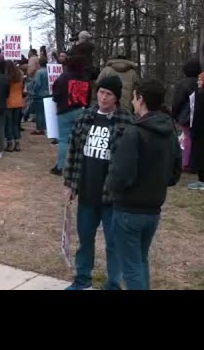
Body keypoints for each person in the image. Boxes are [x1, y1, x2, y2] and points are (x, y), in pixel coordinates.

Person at [106, 78, 182, 290]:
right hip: (153, 210)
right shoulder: (169, 132)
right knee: (140, 261)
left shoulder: (134, 133)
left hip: (129, 210)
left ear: (140, 99)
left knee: (131, 267)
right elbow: (175, 172)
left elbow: (121, 175)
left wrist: (112, 186)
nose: (132, 100)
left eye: (134, 97)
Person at [63, 75, 134, 290]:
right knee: (85, 240)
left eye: (109, 94)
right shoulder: (85, 117)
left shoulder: (126, 121)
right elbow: (73, 151)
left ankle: (113, 284)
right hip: (87, 190)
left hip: (112, 196)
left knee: (113, 244)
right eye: (101, 92)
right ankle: (82, 279)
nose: (103, 97)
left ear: (117, 97)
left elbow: (129, 161)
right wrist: (69, 183)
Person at [51, 54, 91, 176]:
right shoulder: (85, 79)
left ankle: (60, 167)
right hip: (81, 111)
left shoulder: (63, 78)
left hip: (64, 111)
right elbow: (88, 98)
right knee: (80, 140)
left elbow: (56, 95)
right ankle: (78, 166)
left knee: (63, 140)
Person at [171, 59, 201, 172]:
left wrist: (174, 114)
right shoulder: (201, 82)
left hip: (186, 115)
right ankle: (195, 161)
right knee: (194, 138)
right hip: (199, 115)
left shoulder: (183, 83)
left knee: (187, 137)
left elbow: (178, 101)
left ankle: (186, 163)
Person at [4, 60, 24, 152]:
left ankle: (10, 143)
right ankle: (17, 143)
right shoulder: (20, 74)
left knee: (8, 124)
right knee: (16, 124)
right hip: (18, 101)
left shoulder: (6, 76)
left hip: (8, 102)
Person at [31, 57, 49, 135]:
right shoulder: (50, 71)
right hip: (49, 94)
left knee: (39, 112)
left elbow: (37, 83)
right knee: (46, 112)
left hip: (40, 94)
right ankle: (46, 128)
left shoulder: (39, 72)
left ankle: (39, 129)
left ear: (39, 63)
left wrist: (33, 91)